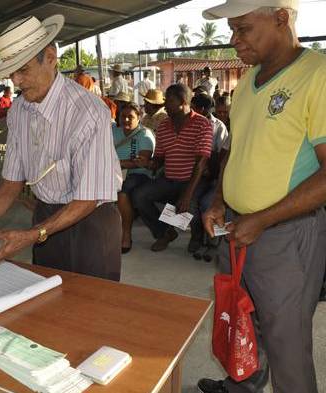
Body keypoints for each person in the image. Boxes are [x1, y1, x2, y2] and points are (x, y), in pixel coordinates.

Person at [198, 1, 326, 392]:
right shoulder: (249, 83)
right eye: (231, 30)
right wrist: (220, 200)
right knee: (242, 324)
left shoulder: (317, 74)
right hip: (238, 227)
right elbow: (236, 152)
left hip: (285, 236)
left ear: (281, 18)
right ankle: (241, 386)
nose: (233, 41)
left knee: (286, 344)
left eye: (243, 29)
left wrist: (262, 219)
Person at [0, 14, 122, 281]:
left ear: (51, 57)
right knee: (48, 298)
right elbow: (11, 185)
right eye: (12, 73)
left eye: (24, 70)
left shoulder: (87, 112)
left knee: (94, 307)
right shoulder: (19, 110)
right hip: (45, 214)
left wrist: (32, 235)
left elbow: (88, 198)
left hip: (91, 218)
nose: (17, 81)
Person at [132, 83, 213, 252]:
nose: (164, 104)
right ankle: (165, 233)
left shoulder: (202, 124)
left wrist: (187, 194)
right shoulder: (163, 126)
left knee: (189, 204)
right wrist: (149, 163)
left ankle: (197, 236)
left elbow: (201, 162)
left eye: (168, 100)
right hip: (170, 179)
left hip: (194, 181)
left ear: (183, 101)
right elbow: (160, 158)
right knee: (140, 195)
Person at [112, 102, 155, 253]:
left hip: (138, 174)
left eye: (131, 117)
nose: (126, 120)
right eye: (123, 116)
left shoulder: (145, 135)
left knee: (123, 193)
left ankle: (126, 235)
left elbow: (141, 162)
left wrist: (117, 163)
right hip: (114, 173)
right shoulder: (113, 131)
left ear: (139, 118)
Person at [190, 93, 229, 257]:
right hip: (200, 174)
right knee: (191, 200)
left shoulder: (219, 127)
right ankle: (197, 236)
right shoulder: (190, 124)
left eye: (224, 112)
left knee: (207, 202)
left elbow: (220, 156)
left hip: (217, 176)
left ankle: (212, 242)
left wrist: (210, 168)